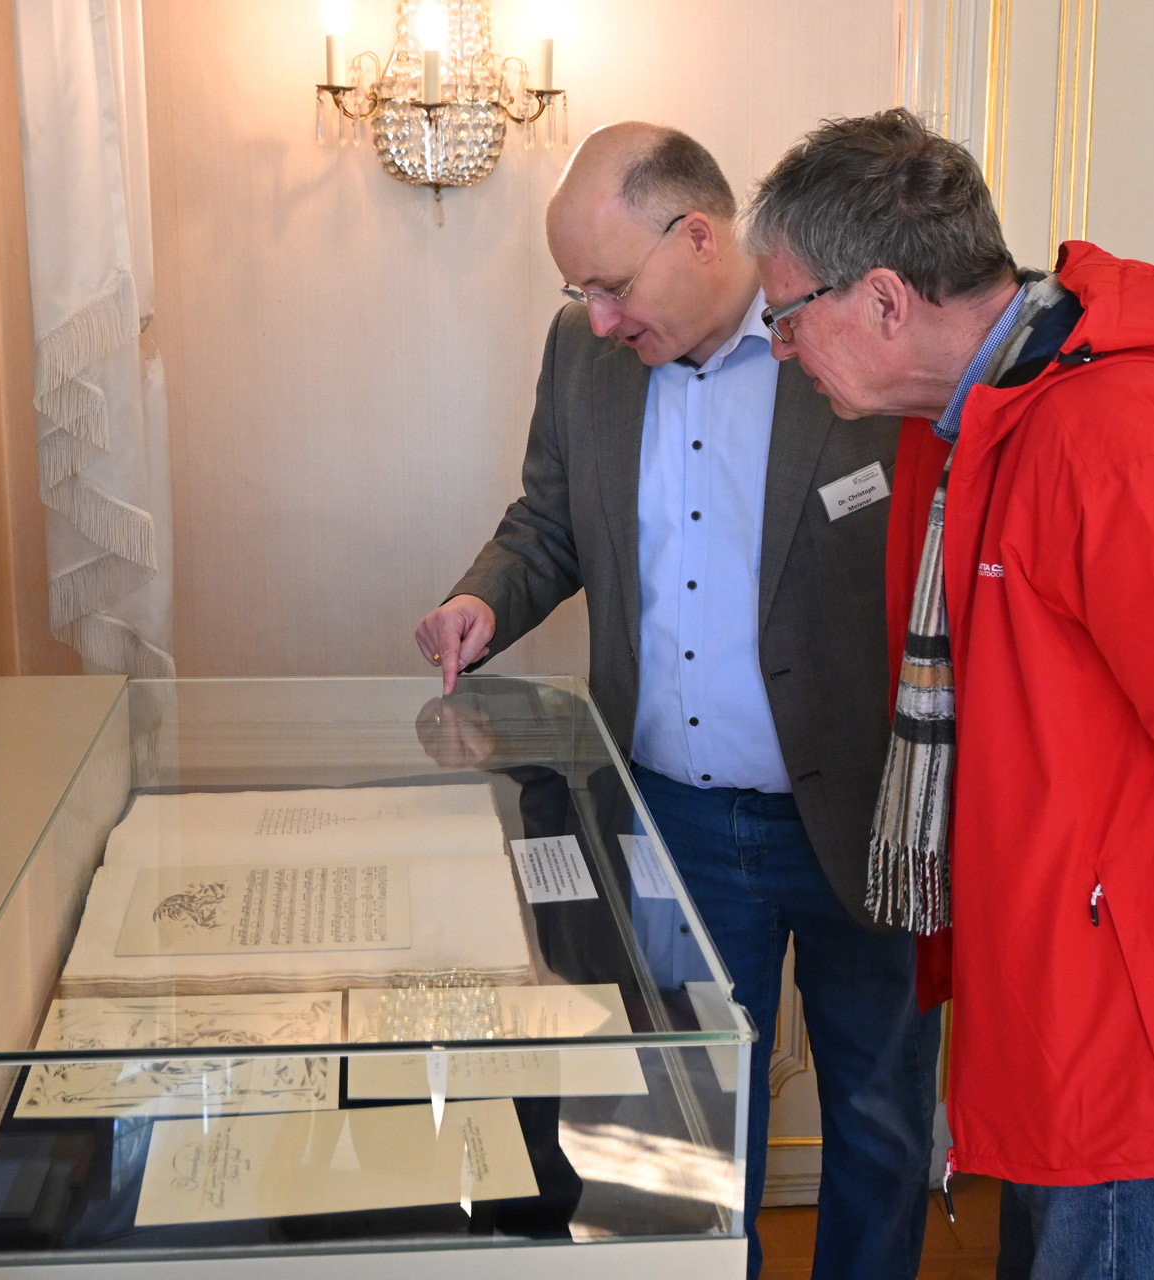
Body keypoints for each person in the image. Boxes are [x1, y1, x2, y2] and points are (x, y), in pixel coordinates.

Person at [739, 109, 1154, 1280]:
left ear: (883, 298)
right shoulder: (974, 428)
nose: (782, 349)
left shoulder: (1106, 436)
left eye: (787, 315)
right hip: (1064, 980)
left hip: (1135, 1008)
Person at [413, 122, 941, 1280]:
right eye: (582, 292)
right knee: (679, 1128)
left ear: (698, 234)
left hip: (863, 813)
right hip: (674, 823)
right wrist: (482, 598)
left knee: (881, 1119)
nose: (600, 317)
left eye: (611, 284)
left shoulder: (848, 333)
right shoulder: (582, 352)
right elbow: (548, 521)